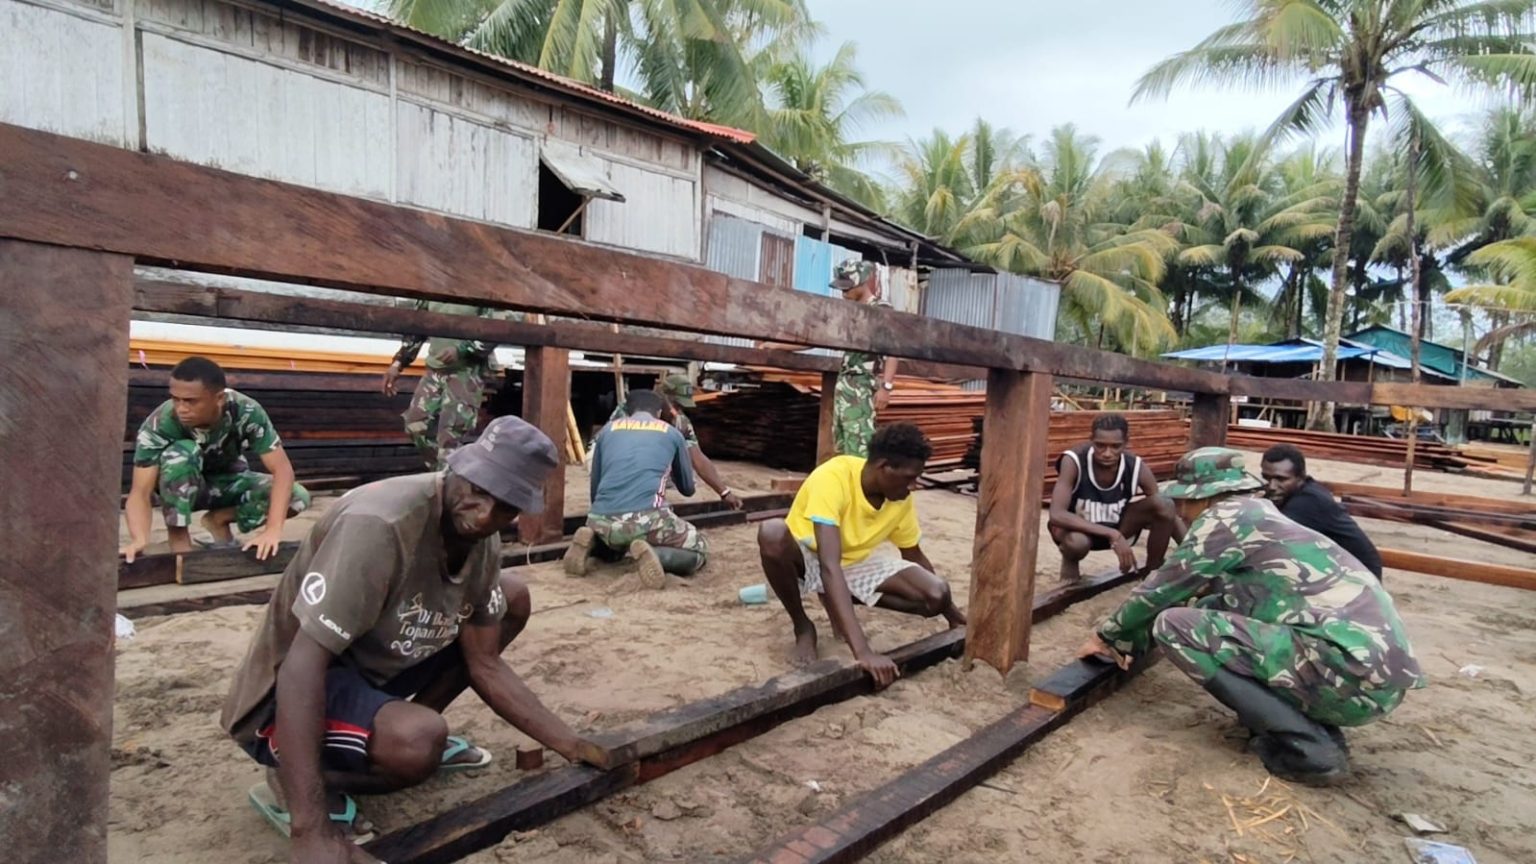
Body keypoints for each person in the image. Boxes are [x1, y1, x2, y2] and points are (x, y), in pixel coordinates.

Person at [220, 416, 609, 864]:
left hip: (369, 667)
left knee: (511, 598)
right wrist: (310, 830)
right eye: (478, 491)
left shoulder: (481, 539)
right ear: (458, 469)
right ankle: (298, 776)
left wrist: (574, 746)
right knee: (417, 743)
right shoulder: (379, 525)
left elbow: (485, 663)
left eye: (503, 506)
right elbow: (301, 665)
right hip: (283, 696)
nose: (484, 514)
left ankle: (391, 734)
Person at [1077, 447, 1426, 786]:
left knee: (1174, 626)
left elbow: (1161, 590)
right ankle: (1315, 729)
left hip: (1348, 676)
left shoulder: (1226, 519)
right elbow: (1223, 600)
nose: (1181, 511)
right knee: (1202, 613)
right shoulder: (1263, 516)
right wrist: (1135, 639)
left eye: (1185, 501)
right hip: (1374, 679)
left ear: (1209, 495)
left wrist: (1107, 636)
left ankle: (1309, 748)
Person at [756, 423, 966, 688]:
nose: (914, 485)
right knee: (772, 533)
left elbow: (913, 554)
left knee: (935, 594)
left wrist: (951, 613)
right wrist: (864, 652)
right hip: (809, 556)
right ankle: (803, 625)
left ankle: (835, 600)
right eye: (909, 477)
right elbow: (829, 565)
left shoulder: (899, 499)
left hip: (854, 562)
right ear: (883, 467)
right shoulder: (833, 477)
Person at [121, 356, 310, 562]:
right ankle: (179, 540)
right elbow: (140, 491)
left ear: (219, 398)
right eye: (176, 399)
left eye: (191, 401)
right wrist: (139, 538)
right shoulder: (160, 423)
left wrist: (272, 530)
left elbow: (282, 470)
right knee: (182, 453)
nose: (181, 408)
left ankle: (218, 520)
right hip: (181, 489)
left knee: (297, 496)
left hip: (228, 483)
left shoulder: (245, 411)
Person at [564, 389, 707, 587]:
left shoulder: (607, 431)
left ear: (628, 411)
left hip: (599, 517)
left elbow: (595, 487)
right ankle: (657, 555)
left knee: (617, 543)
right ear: (658, 413)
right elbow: (688, 489)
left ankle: (593, 543)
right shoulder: (672, 433)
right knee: (698, 547)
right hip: (646, 518)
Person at [757, 259, 898, 457]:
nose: (843, 293)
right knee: (842, 445)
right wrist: (776, 345)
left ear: (861, 282)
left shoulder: (880, 309)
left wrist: (886, 387)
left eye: (847, 289)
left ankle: (859, 487)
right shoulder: (848, 313)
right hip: (845, 384)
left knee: (859, 445)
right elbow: (817, 339)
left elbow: (894, 349)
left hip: (862, 384)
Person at [382, 302, 522, 469]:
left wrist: (463, 349)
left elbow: (498, 325)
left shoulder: (482, 285)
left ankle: (448, 483)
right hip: (435, 370)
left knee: (450, 437)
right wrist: (398, 363)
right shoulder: (432, 288)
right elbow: (417, 327)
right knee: (416, 425)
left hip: (466, 371)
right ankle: (445, 476)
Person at [1047, 413, 1185, 581]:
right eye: (1100, 446)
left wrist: (1195, 552)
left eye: (1115, 447)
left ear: (1126, 443)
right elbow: (1056, 514)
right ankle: (1070, 566)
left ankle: (1152, 572)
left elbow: (1166, 510)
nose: (1107, 453)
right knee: (1077, 543)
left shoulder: (1135, 466)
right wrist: (1111, 533)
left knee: (1164, 504)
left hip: (1119, 527)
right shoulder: (1074, 461)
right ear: (1091, 440)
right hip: (1079, 532)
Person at [601, 373, 743, 511]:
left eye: (681, 406)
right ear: (663, 397)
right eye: (676, 405)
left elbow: (697, 458)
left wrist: (724, 492)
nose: (678, 411)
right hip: (617, 466)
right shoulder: (631, 409)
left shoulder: (680, 422)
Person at [1260, 444, 1384, 580]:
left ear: (1301, 478)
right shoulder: (1292, 493)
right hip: (1335, 568)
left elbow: (1266, 537)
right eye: (1266, 478)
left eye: (1281, 479)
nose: (1272, 486)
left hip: (1360, 579)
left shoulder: (1309, 501)